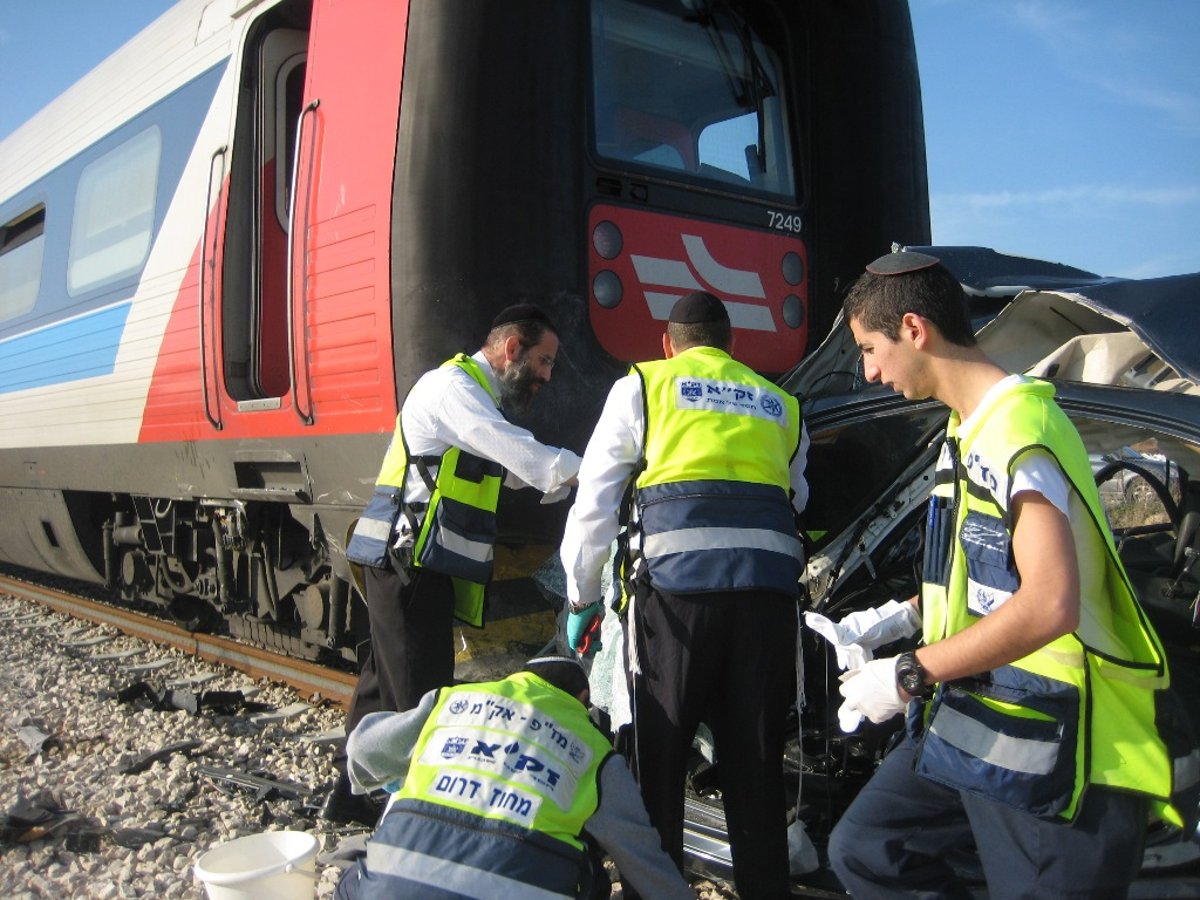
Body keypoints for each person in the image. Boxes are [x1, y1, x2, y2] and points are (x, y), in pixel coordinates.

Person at [823, 250, 1182, 898]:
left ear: (913, 329)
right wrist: (900, 617)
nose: (870, 372)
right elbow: (985, 573)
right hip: (988, 723)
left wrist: (909, 673)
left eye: (870, 349)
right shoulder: (967, 431)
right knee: (871, 849)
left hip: (1061, 757)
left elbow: (1049, 605)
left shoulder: (1019, 427)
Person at [560, 290, 809, 899]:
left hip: (674, 607)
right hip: (768, 605)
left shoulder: (644, 386)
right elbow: (796, 499)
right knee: (755, 768)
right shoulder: (781, 404)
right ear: (733, 347)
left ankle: (655, 889)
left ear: (668, 346)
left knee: (660, 766)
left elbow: (593, 503)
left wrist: (580, 597)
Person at [324, 304, 582, 824]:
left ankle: (350, 797)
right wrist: (597, 471)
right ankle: (414, 817)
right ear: (512, 349)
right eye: (544, 361)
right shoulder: (453, 390)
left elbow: (506, 473)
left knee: (382, 684)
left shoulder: (475, 400)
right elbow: (523, 456)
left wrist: (560, 482)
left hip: (412, 565)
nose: (548, 376)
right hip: (407, 563)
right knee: (418, 697)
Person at [333, 656, 696, 900]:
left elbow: (363, 748)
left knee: (353, 881)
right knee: (592, 875)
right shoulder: (597, 754)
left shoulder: (453, 700)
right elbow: (644, 859)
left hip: (393, 889)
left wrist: (392, 781)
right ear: (582, 698)